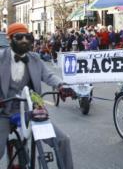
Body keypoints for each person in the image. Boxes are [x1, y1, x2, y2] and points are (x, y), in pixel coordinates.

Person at [0, 23, 73, 169]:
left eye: (28, 37)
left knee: (63, 140)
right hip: (3, 112)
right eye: (19, 37)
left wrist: (62, 85)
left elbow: (49, 75)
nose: (24, 41)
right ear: (10, 39)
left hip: (30, 111)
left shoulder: (35, 58)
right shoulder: (1, 57)